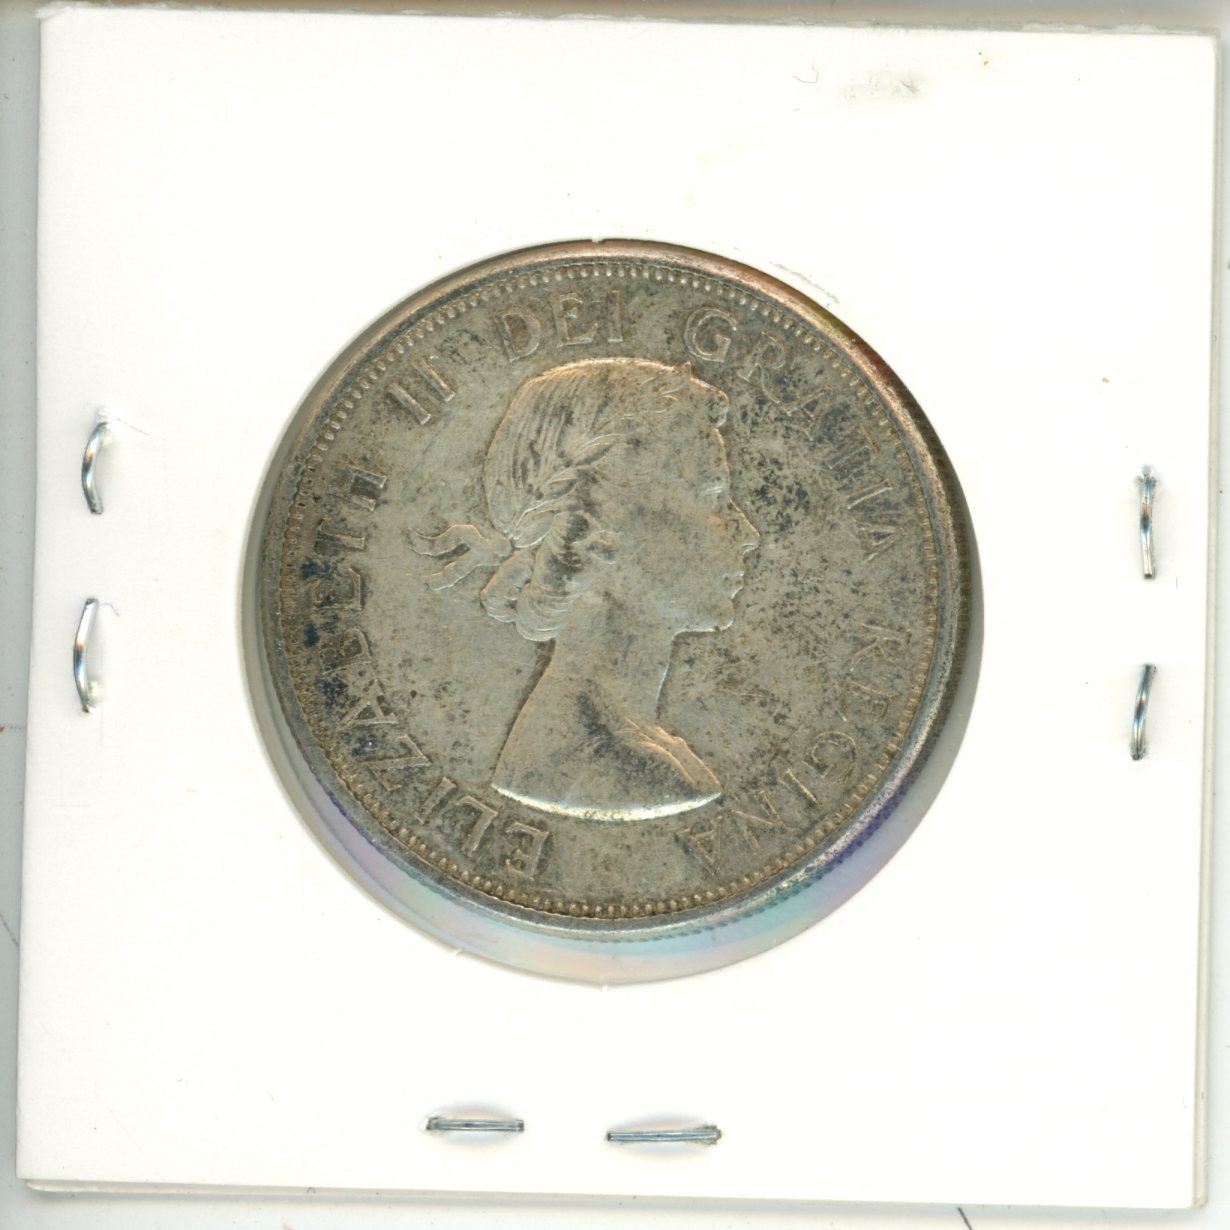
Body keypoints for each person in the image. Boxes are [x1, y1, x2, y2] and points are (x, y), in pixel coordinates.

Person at [413, 356, 759, 821]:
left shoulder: (627, 740)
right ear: (598, 537)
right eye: (712, 495)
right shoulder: (619, 766)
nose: (748, 533)